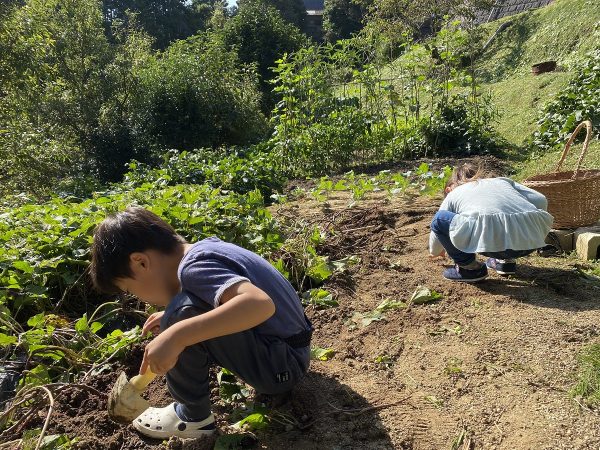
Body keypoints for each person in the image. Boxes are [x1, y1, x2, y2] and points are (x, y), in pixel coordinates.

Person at [90, 207, 312, 439]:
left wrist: (176, 333)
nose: (138, 298)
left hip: (282, 367)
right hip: (291, 352)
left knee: (181, 315)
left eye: (129, 289)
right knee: (179, 314)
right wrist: (172, 319)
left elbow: (259, 304)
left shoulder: (193, 268)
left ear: (140, 263)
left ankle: (191, 418)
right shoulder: (203, 251)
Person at [429, 163, 553, 282]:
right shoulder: (502, 181)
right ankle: (505, 262)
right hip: (530, 241)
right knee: (501, 220)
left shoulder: (454, 193)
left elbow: (438, 223)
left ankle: (469, 268)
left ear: (449, 189)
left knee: (440, 218)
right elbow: (540, 200)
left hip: (490, 246)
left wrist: (435, 251)